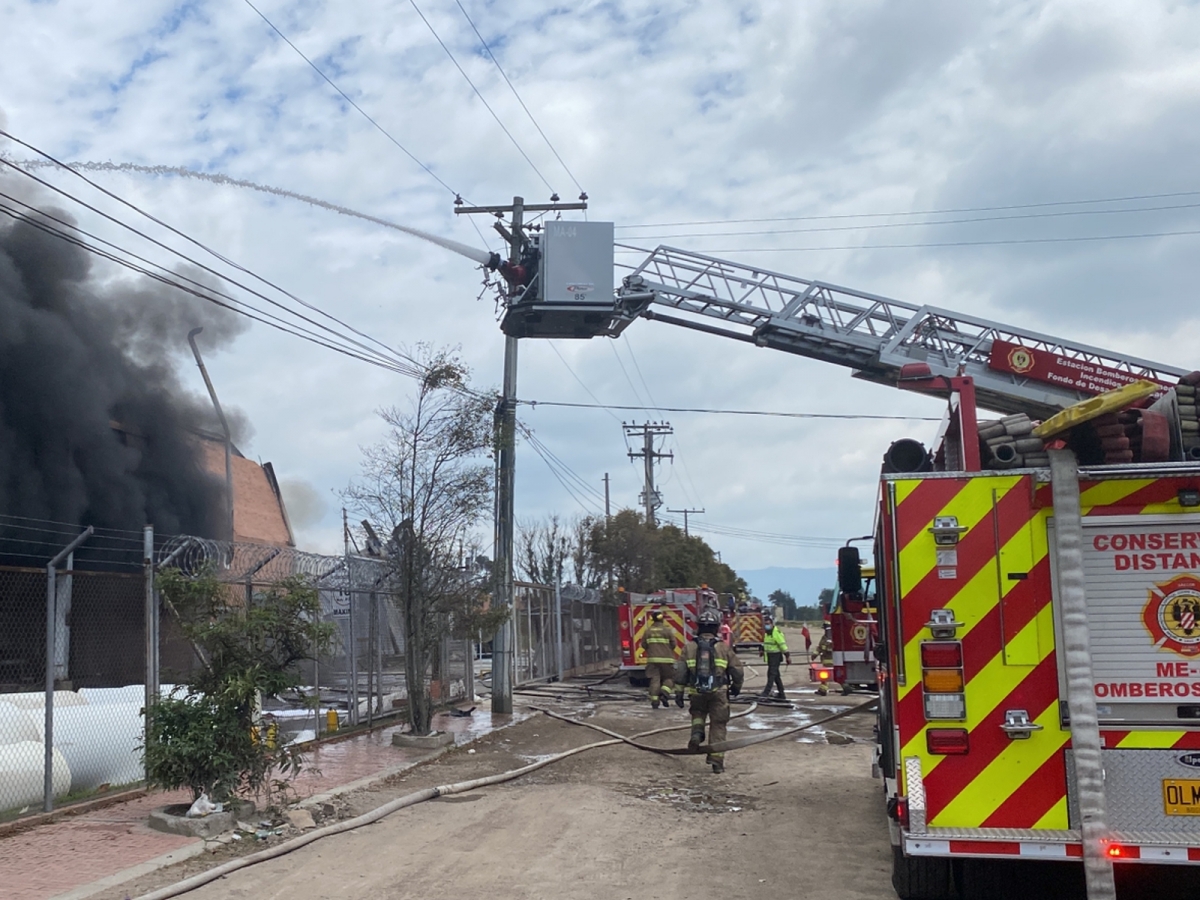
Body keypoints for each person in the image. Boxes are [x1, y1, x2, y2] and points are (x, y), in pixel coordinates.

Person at [674, 609, 744, 774]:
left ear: (699, 627)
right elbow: (737, 670)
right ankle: (716, 761)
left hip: (697, 692)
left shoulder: (689, 647)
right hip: (719, 692)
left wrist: (678, 692)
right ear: (716, 628)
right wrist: (736, 687)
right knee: (718, 725)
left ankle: (697, 733)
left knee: (698, 714)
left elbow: (680, 673)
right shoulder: (723, 647)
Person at [641, 608, 678, 709]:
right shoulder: (667, 630)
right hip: (667, 660)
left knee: (655, 679)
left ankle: (655, 701)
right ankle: (664, 693)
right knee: (669, 678)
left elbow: (643, 645)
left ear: (652, 620)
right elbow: (673, 644)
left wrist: (652, 650)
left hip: (653, 660)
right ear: (662, 620)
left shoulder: (647, 631)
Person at [760, 615, 791, 701]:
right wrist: (762, 650)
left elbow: (782, 645)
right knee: (776, 676)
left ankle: (765, 693)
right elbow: (765, 643)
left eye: (768, 624)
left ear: (772, 624)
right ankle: (782, 694)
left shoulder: (776, 633)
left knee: (771, 675)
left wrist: (787, 656)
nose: (766, 625)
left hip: (776, 656)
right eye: (765, 624)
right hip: (770, 657)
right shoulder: (767, 633)